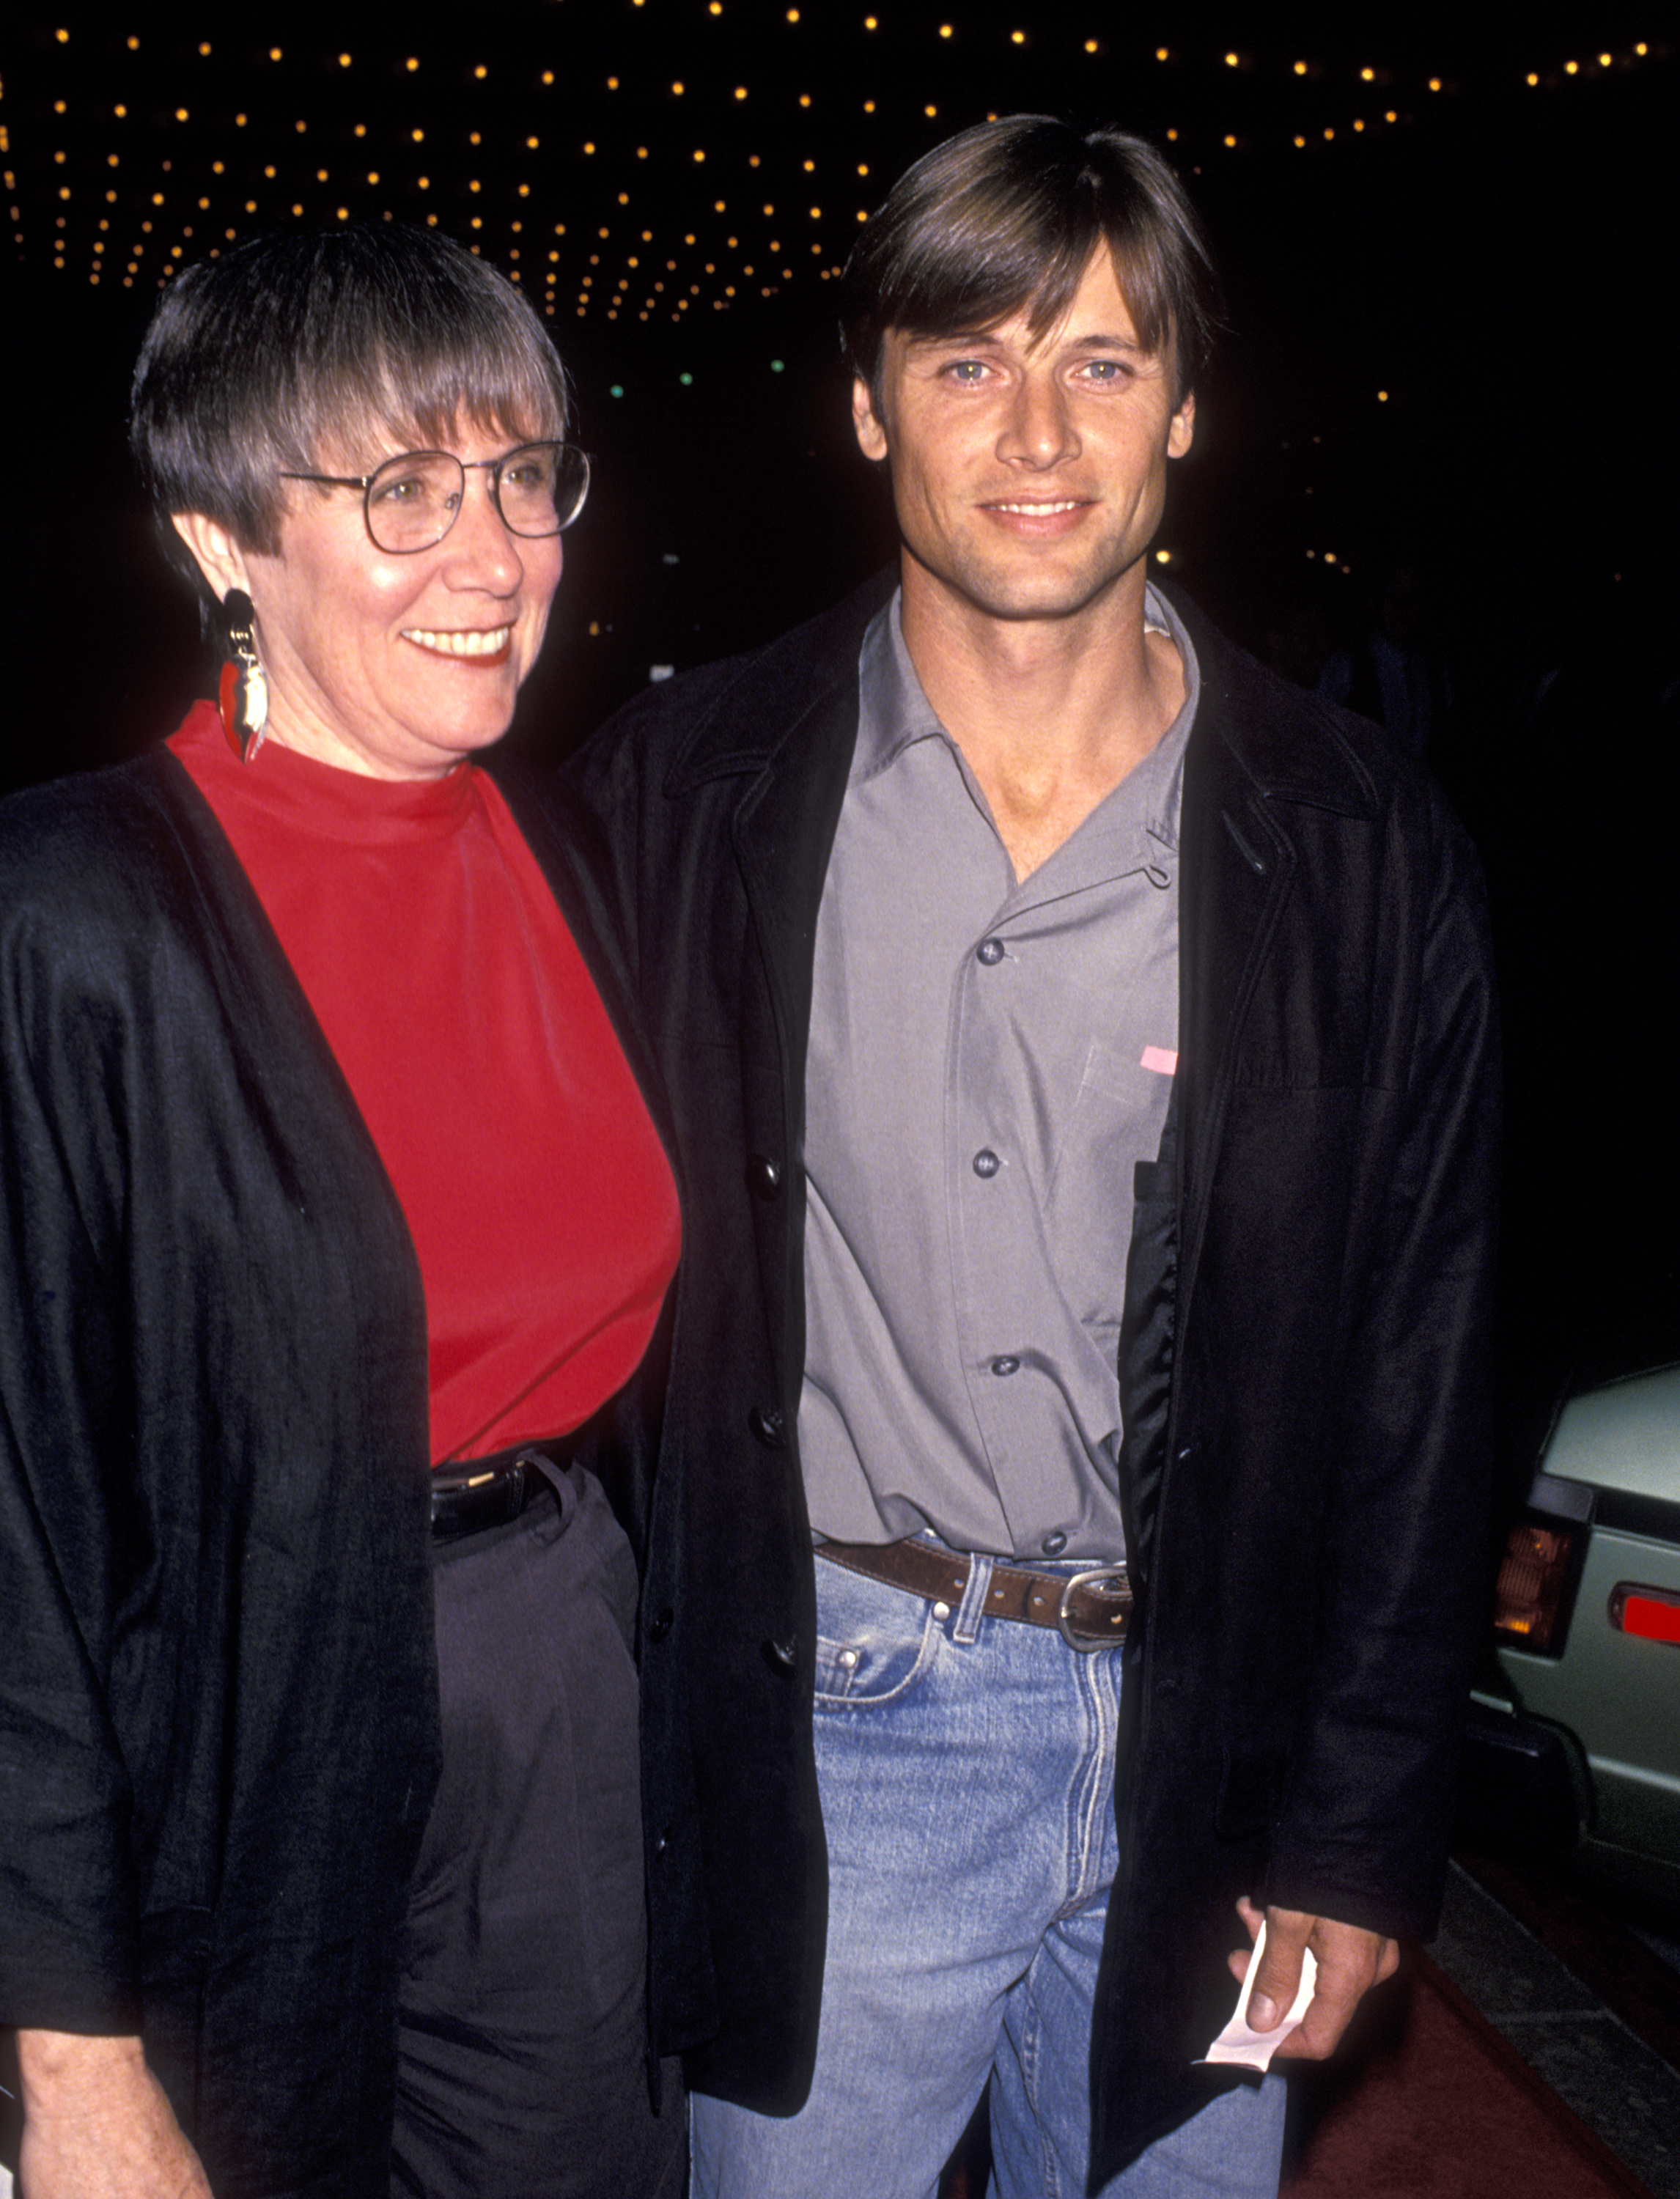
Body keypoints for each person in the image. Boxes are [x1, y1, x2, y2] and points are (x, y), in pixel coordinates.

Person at [567, 116, 1499, 2198]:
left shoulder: (1355, 845)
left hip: (1210, 1751)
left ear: (1187, 400)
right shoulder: (677, 798)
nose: (1036, 428)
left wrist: (1355, 1825)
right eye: (966, 359)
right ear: (867, 402)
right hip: (828, 1740)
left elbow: (1421, 1385)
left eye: (1097, 358)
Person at [0, 224, 685, 2199]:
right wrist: (71, 2067)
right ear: (223, 539)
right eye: (401, 491)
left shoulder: (570, 851)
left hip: (547, 1664)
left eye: (521, 473)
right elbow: (15, 1538)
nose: (492, 556)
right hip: (209, 1709)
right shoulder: (67, 916)